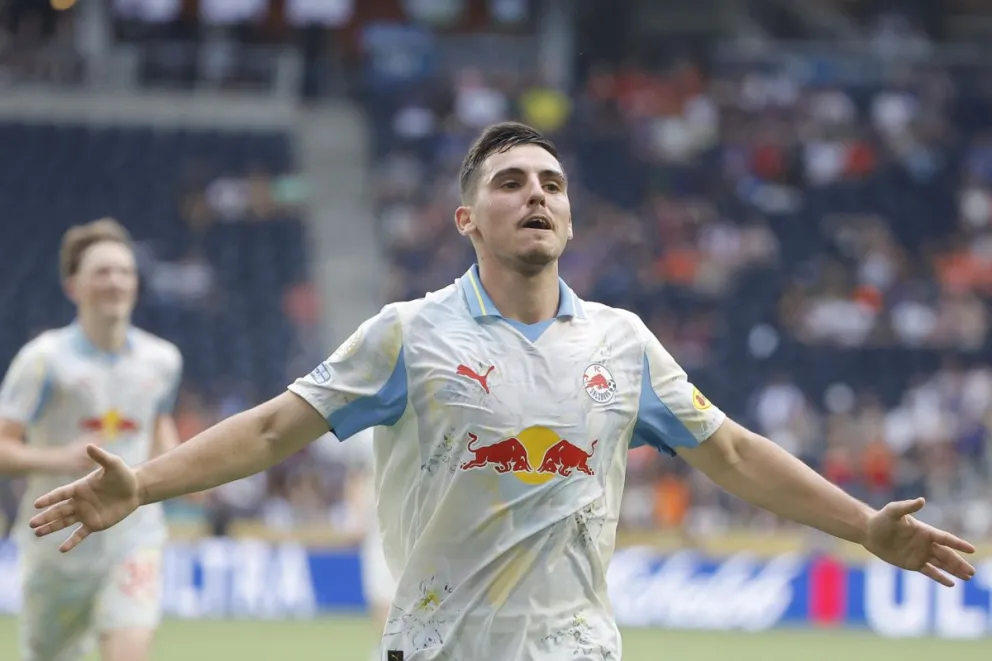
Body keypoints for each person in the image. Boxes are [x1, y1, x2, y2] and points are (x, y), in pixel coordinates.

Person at [28, 124, 975, 661]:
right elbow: (277, 425)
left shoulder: (623, 342)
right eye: (513, 182)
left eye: (553, 184)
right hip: (435, 645)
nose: (538, 195)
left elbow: (730, 452)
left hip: (579, 648)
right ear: (465, 218)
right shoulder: (408, 333)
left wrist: (864, 526)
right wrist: (144, 484)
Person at [0, 219, 183, 661]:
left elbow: (160, 428)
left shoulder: (162, 361)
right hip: (57, 543)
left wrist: (181, 472)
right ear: (73, 286)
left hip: (133, 537)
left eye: (125, 271)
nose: (116, 281)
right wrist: (60, 458)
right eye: (102, 272)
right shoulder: (43, 360)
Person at [313, 427, 396, 661]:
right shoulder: (367, 433)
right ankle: (392, 652)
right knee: (382, 594)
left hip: (414, 518)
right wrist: (356, 516)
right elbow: (357, 476)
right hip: (379, 521)